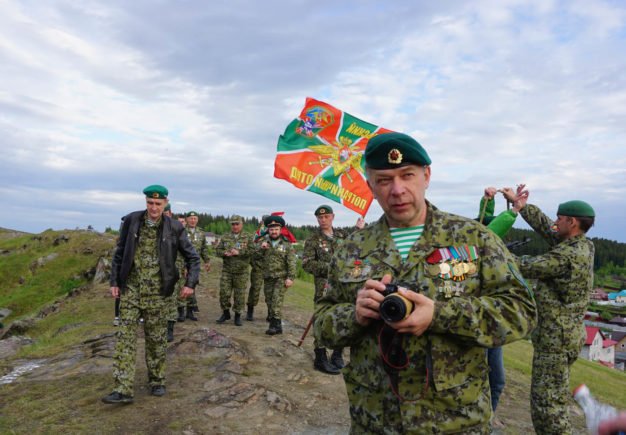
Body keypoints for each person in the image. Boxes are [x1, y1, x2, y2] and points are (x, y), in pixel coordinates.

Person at [313, 132, 537, 433]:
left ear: (426, 176)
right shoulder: (351, 248)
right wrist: (354, 315)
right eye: (384, 180)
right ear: (370, 187)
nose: (397, 189)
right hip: (375, 421)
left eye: (407, 176)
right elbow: (322, 324)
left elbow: (522, 311)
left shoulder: (474, 238)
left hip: (454, 420)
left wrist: (440, 315)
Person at [102, 185, 200, 404]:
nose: (153, 208)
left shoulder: (174, 227)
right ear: (145, 202)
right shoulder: (131, 221)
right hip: (131, 290)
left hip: (159, 293)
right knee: (125, 339)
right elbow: (119, 254)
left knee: (156, 339)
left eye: (158, 204)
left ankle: (157, 380)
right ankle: (123, 388)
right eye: (149, 203)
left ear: (165, 203)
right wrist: (115, 281)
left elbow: (193, 258)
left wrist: (189, 283)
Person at [511, 193, 596, 435]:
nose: (554, 223)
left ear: (572, 222)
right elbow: (549, 229)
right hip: (564, 336)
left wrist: (492, 253)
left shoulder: (568, 255)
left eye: (559, 219)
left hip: (555, 341)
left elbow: (526, 266)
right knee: (553, 397)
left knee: (547, 404)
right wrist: (523, 208)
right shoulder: (582, 244)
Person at [476, 185, 528, 414]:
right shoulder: (479, 244)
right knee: (493, 381)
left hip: (489, 321)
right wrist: (514, 210)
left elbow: (485, 220)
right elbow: (488, 230)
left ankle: (483, 422)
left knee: (495, 381)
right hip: (483, 320)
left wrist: (489, 201)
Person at [302, 204, 365, 375]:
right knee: (321, 319)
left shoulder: (342, 235)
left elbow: (353, 248)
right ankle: (320, 357)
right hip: (324, 287)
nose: (323, 220)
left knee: (343, 317)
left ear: (333, 217)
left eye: (326, 217)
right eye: (320, 217)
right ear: (317, 219)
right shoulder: (313, 240)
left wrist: (358, 230)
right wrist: (331, 267)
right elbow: (306, 263)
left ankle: (337, 355)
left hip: (343, 287)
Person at [257, 215, 296, 335]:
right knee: (269, 301)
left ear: (280, 230)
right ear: (268, 230)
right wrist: (261, 249)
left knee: (276, 301)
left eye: (276, 229)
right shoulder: (263, 243)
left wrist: (290, 277)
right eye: (271, 229)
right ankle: (278, 326)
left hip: (281, 277)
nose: (274, 232)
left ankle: (273, 326)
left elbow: (292, 262)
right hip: (268, 277)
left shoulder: (286, 244)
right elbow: (255, 258)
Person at [215, 215, 254, 326]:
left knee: (239, 295)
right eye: (233, 224)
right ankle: (226, 313)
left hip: (241, 271)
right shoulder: (225, 236)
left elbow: (253, 251)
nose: (235, 226)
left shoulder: (248, 237)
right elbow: (218, 251)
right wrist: (224, 253)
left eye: (237, 224)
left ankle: (237, 316)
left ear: (242, 224)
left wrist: (239, 252)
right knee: (224, 293)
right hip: (227, 270)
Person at [180, 211, 211, 320]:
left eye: (195, 218)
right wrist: (182, 267)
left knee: (192, 286)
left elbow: (203, 249)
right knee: (182, 286)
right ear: (187, 219)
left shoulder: (201, 233)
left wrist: (207, 261)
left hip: (194, 265)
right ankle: (180, 312)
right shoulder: (181, 231)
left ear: (197, 220)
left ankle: (190, 311)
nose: (193, 220)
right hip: (183, 263)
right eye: (191, 218)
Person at [246, 215, 270, 321]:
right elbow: (251, 252)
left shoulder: (275, 235)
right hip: (258, 268)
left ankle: (271, 313)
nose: (266, 225)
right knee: (255, 289)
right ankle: (250, 311)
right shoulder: (257, 236)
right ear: (261, 223)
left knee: (270, 292)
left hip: (271, 269)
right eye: (264, 222)